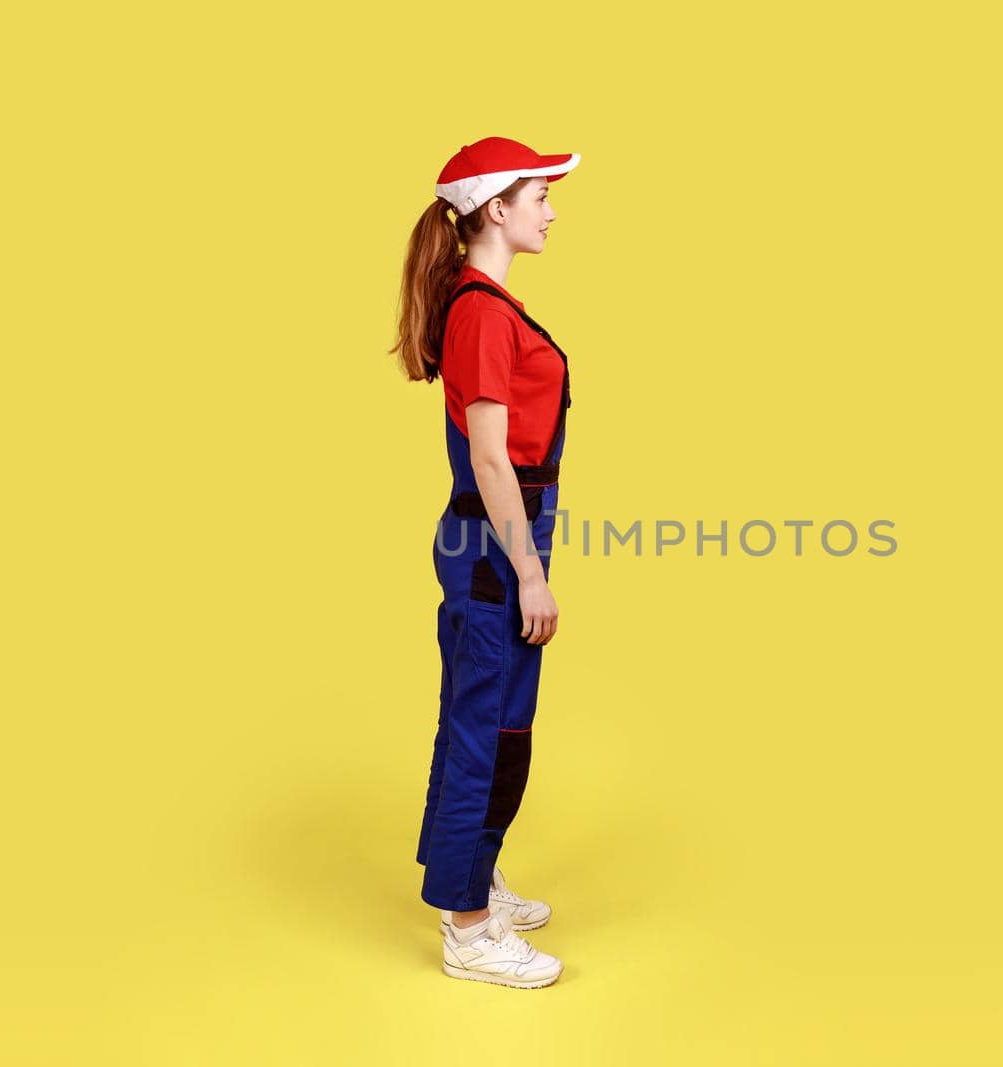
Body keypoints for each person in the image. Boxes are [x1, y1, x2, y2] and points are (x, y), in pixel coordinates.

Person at [389, 136, 580, 989]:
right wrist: (530, 573)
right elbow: (495, 460)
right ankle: (467, 926)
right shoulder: (480, 313)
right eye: (540, 194)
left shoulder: (486, 305)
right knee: (486, 732)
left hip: (500, 538)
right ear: (496, 208)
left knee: (493, 721)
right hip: (495, 543)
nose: (550, 208)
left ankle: (469, 874)